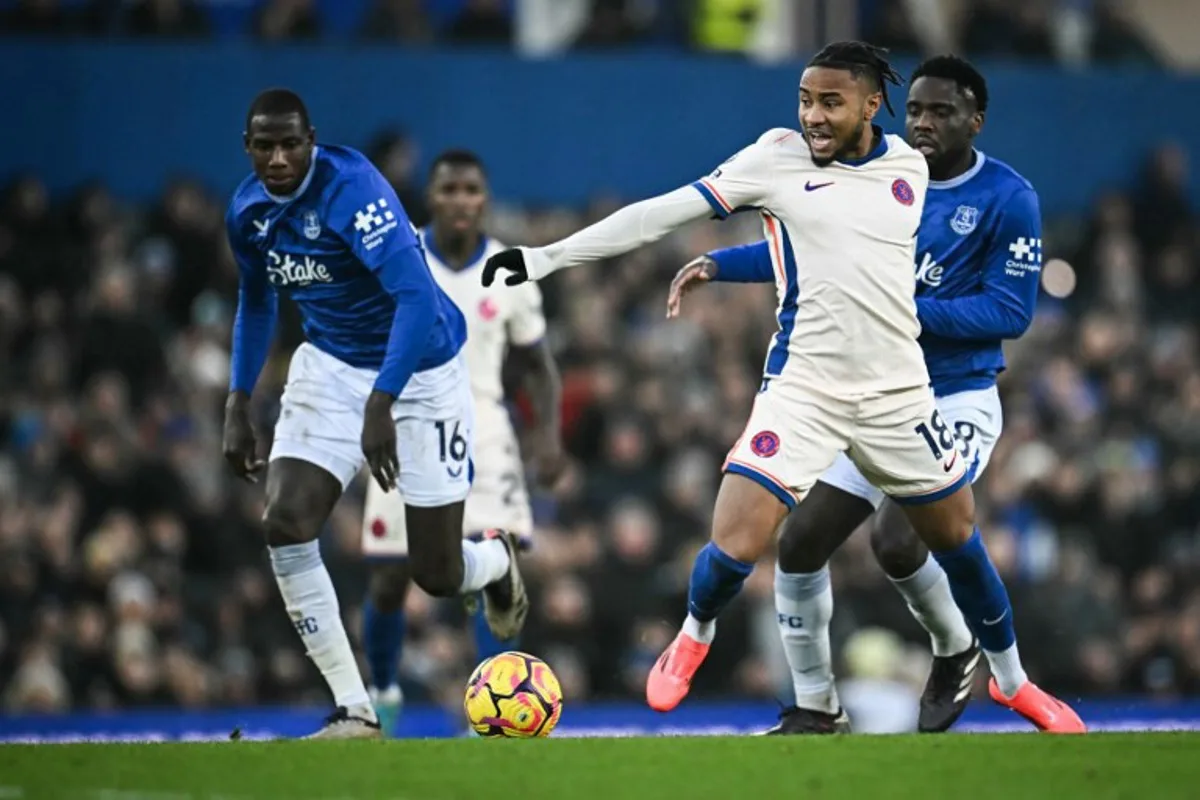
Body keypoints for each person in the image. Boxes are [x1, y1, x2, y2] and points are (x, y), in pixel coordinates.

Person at [482, 42, 1085, 733]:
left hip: (903, 396)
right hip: (806, 389)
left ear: (869, 105)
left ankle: (1010, 681)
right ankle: (697, 635)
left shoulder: (911, 171)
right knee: (744, 540)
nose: (813, 116)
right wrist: (546, 257)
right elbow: (662, 215)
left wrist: (889, 309)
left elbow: (858, 250)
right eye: (805, 99)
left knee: (951, 538)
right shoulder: (775, 158)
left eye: (830, 102)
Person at [667, 55, 1045, 734]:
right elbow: (809, 257)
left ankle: (956, 649)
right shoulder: (878, 177)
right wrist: (719, 263)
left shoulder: (1007, 197)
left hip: (952, 397)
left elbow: (1010, 313)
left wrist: (897, 310)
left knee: (900, 539)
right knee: (802, 540)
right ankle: (816, 708)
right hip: (864, 393)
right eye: (918, 111)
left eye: (943, 112)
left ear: (976, 121)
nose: (925, 124)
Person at [223, 90, 527, 739]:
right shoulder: (247, 212)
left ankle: (495, 561)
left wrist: (381, 404)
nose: (278, 158)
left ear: (312, 140)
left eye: (290, 144)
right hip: (330, 366)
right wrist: (238, 400)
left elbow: (416, 300)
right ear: (247, 148)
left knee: (436, 574)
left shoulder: (354, 189)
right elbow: (256, 303)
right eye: (264, 146)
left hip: (421, 372)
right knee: (285, 521)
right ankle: (354, 708)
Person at [359, 150, 563, 733]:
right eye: (448, 189)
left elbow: (537, 365)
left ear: (485, 198)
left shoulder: (509, 268)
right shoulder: (402, 257)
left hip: (486, 430)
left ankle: (492, 716)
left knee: (496, 565)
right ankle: (383, 697)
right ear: (431, 196)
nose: (459, 200)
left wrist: (548, 437)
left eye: (471, 189)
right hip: (408, 424)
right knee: (392, 574)